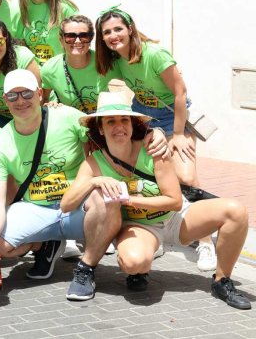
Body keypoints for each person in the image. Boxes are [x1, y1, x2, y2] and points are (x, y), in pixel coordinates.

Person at [0, 70, 169, 301]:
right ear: (4, 100)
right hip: (36, 208)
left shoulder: (67, 117)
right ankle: (44, 246)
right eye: (13, 96)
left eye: (27, 93)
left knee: (104, 196)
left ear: (40, 94)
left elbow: (113, 130)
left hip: (80, 206)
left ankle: (86, 269)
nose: (20, 101)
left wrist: (154, 133)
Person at [60, 91, 251, 310]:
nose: (118, 126)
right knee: (133, 262)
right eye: (110, 121)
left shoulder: (152, 149)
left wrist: (129, 200)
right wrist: (96, 181)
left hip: (176, 219)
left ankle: (222, 281)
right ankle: (139, 270)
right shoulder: (94, 162)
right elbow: (66, 204)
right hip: (140, 227)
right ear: (100, 128)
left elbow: (175, 201)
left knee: (236, 211)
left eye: (124, 120)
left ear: (132, 125)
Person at [95, 4, 217, 270]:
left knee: (185, 175)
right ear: (102, 37)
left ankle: (206, 242)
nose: (113, 35)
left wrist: (176, 134)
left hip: (173, 116)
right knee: (141, 171)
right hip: (142, 116)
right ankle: (151, 234)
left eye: (118, 29)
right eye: (107, 32)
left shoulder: (154, 54)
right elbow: (102, 86)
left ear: (130, 29)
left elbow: (180, 93)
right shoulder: (116, 61)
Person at [42, 15, 109, 113]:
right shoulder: (49, 69)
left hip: (100, 121)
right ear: (61, 40)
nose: (77, 41)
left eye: (83, 36)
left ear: (91, 38)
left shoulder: (105, 62)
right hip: (70, 123)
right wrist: (51, 105)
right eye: (70, 36)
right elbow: (44, 100)